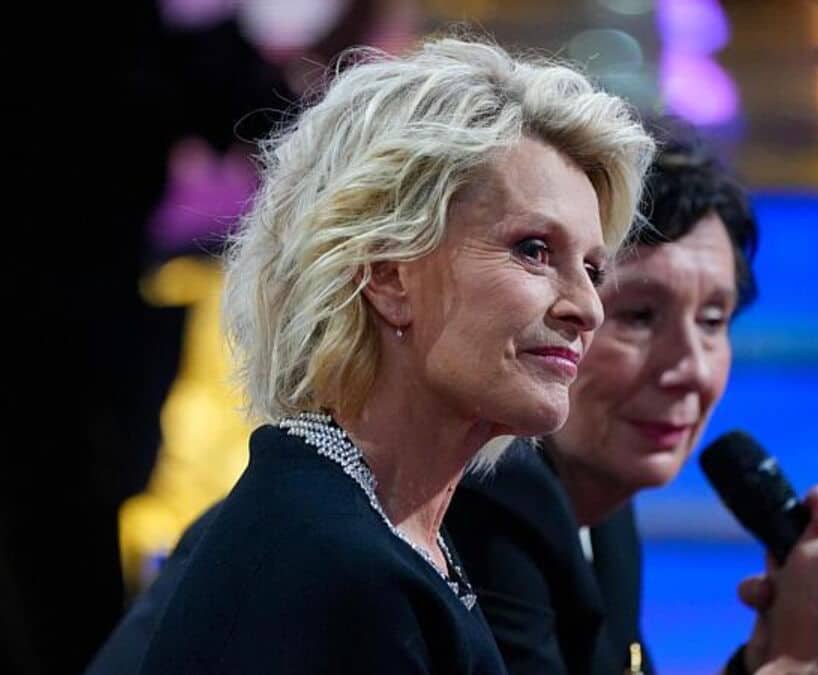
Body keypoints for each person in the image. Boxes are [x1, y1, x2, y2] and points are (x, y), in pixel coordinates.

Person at [87, 35, 654, 674]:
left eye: (592, 268)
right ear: (386, 274)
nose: (588, 307)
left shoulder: (370, 528)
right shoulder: (335, 569)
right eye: (534, 250)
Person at [446, 120, 818, 675]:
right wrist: (809, 662)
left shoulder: (605, 514)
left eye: (713, 320)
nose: (689, 369)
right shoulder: (495, 500)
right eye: (640, 316)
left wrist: (767, 655)